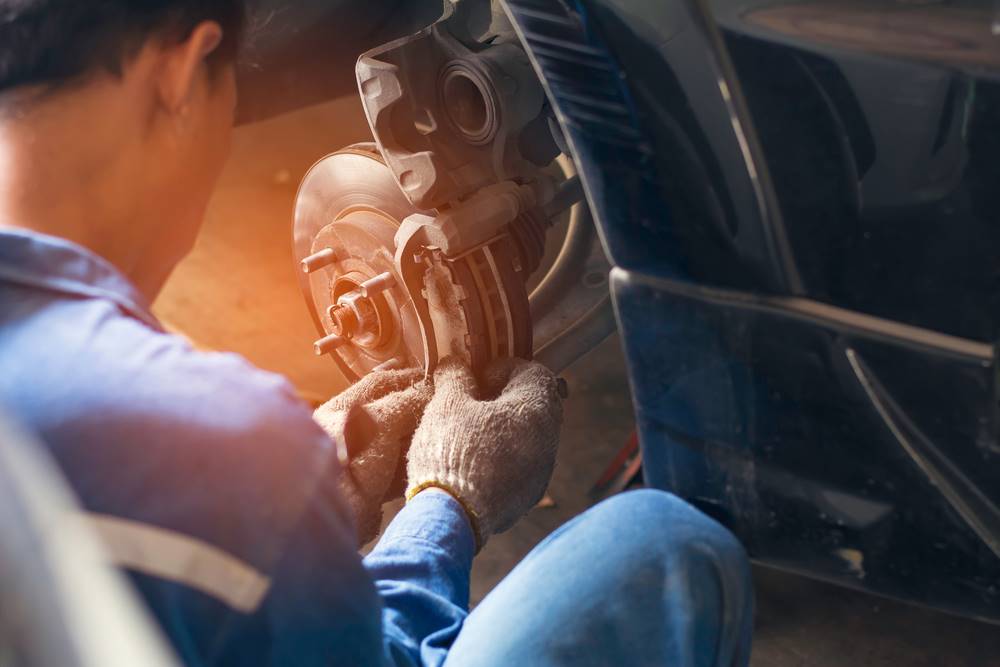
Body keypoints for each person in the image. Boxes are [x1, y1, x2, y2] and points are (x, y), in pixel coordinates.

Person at [0, 2, 754, 665]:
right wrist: (444, 503)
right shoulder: (211, 432)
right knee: (668, 551)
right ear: (184, 72)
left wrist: (283, 506)